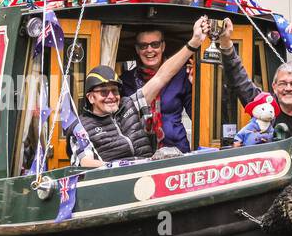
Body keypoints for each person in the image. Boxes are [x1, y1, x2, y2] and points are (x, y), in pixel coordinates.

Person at [72, 17, 210, 168]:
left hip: (173, 153)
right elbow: (84, 161)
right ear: (91, 97)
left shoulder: (127, 107)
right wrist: (115, 168)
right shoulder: (81, 125)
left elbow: (161, 77)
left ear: (163, 46)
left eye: (114, 91)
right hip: (124, 173)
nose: (111, 97)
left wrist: (195, 45)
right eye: (103, 92)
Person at [215, 18, 292, 148]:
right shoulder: (262, 106)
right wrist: (226, 42)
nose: (288, 88)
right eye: (283, 83)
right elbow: (239, 81)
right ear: (274, 87)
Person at [119, 27, 193, 153]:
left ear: (163, 46)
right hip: (139, 153)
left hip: (176, 150)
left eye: (155, 44)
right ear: (137, 49)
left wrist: (194, 85)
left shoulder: (180, 76)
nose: (149, 50)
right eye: (143, 46)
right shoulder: (126, 80)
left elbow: (196, 115)